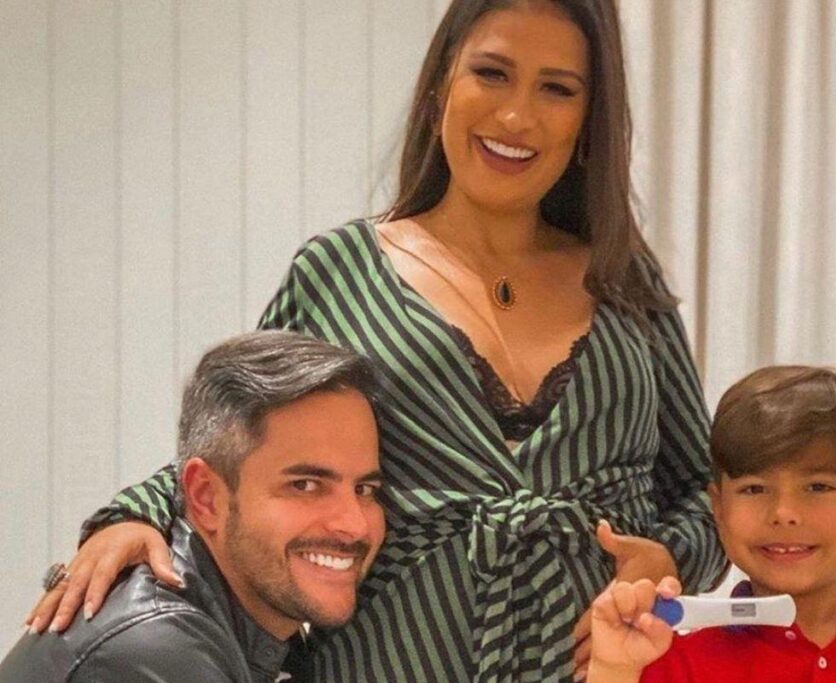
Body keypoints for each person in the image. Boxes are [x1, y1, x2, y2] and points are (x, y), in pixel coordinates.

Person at [25, 1, 726, 680]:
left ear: (589, 117)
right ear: (441, 83)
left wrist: (670, 556)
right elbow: (239, 445)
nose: (517, 115)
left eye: (558, 88)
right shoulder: (341, 273)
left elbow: (707, 490)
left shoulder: (624, 281)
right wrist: (130, 516)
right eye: (492, 73)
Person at [2, 331, 384, 682]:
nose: (354, 525)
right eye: (305, 485)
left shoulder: (254, 627)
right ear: (206, 497)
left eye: (365, 489)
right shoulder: (155, 648)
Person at [585, 366, 836, 683]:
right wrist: (612, 671)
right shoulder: (664, 665)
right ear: (719, 509)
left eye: (818, 487)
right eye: (754, 489)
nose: (784, 512)